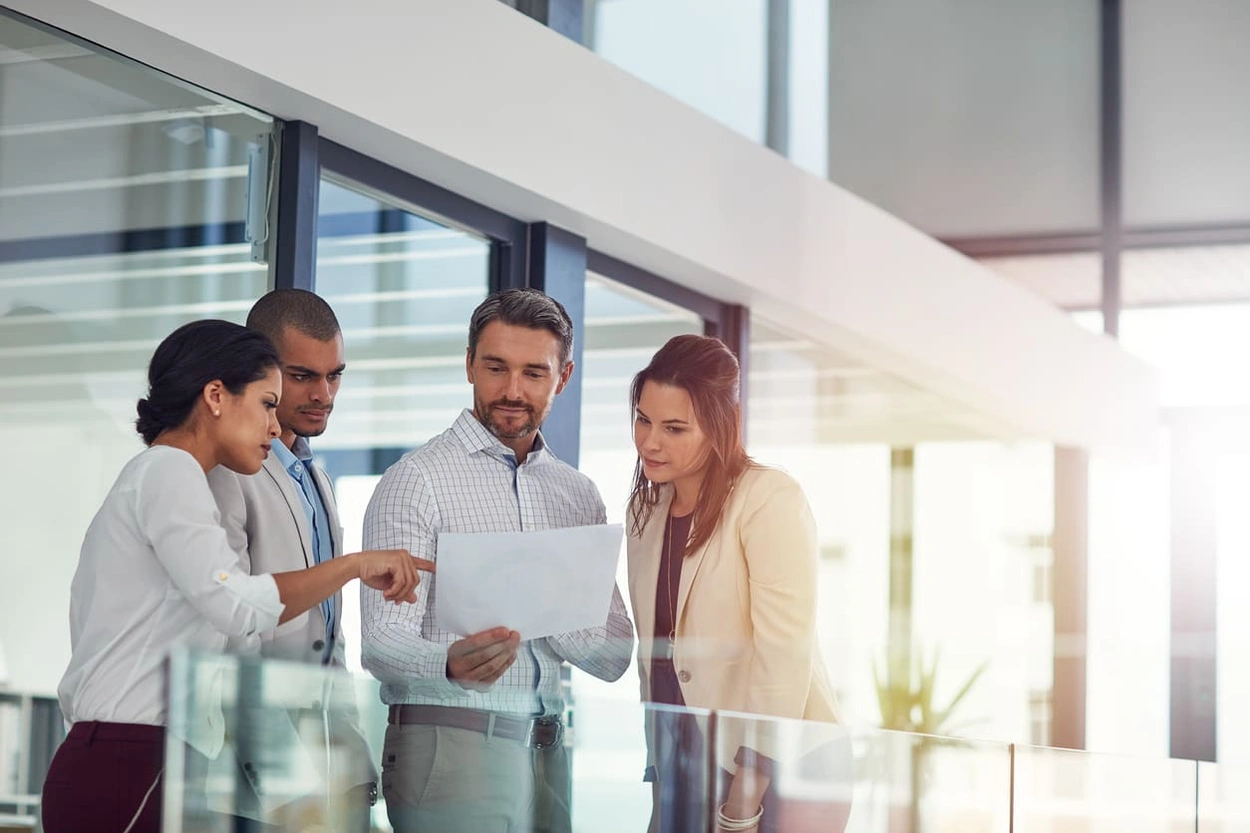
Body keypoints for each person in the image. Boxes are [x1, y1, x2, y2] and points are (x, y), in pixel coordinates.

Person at [40, 320, 433, 833]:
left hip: (129, 757)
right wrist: (354, 566)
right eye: (268, 403)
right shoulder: (169, 472)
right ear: (216, 396)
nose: (275, 426)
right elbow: (239, 607)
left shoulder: (161, 478)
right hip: (131, 759)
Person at [361, 288, 635, 833]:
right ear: (468, 364)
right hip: (452, 749)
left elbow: (615, 656)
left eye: (534, 372)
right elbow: (380, 643)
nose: (513, 390)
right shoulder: (416, 481)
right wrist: (450, 662)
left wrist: (553, 614)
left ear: (564, 377)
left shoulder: (577, 494)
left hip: (550, 755)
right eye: (495, 367)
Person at [625, 334, 844, 833]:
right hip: (684, 757)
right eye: (643, 419)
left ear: (722, 426)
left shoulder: (768, 499)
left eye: (675, 428)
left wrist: (746, 794)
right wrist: (661, 765)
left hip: (783, 761)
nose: (650, 441)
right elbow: (657, 651)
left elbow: (783, 651)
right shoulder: (646, 510)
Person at [206, 289, 375, 830]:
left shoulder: (318, 479)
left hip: (322, 775)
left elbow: (331, 636)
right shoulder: (228, 474)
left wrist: (353, 767)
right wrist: (288, 784)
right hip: (251, 785)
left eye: (335, 376)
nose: (324, 394)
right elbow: (232, 640)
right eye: (303, 376)